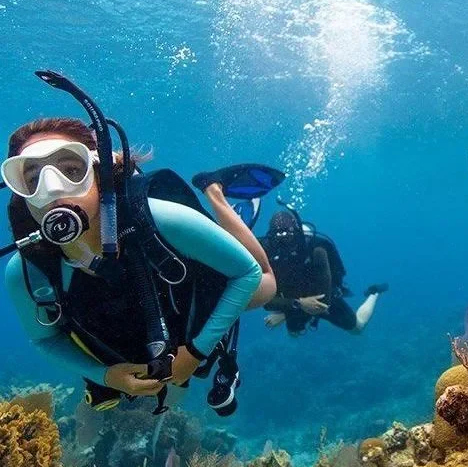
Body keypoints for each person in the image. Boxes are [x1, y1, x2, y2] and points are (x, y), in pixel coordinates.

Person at [3, 116, 272, 416]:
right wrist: (106, 376)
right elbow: (45, 339)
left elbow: (247, 273)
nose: (51, 190)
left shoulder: (162, 218)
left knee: (267, 285)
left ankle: (215, 193)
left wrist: (195, 352)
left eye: (71, 170)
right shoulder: (26, 271)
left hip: (199, 291)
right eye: (32, 178)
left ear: (99, 173)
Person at [259, 208, 388, 336]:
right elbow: (262, 297)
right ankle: (293, 314)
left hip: (321, 294)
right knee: (294, 333)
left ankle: (374, 292)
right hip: (295, 299)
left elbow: (323, 301)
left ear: (297, 234)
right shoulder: (266, 251)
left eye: (288, 237)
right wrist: (295, 305)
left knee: (358, 328)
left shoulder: (316, 249)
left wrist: (287, 312)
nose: (284, 244)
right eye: (278, 239)